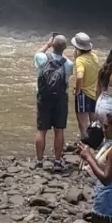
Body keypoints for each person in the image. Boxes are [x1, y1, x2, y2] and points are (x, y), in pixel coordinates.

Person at [33, 35, 73, 168]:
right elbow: (67, 74)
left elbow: (38, 53)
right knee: (59, 130)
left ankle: (39, 161)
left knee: (41, 130)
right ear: (64, 48)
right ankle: (57, 161)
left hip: (44, 98)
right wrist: (62, 53)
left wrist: (48, 44)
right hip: (60, 99)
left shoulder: (42, 58)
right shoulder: (68, 64)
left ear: (52, 46)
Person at [73, 32, 99, 139]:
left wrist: (78, 90)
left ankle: (84, 140)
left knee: (82, 122)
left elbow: (80, 76)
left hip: (83, 93)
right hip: (93, 92)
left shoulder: (80, 60)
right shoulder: (94, 57)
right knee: (93, 119)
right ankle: (95, 139)